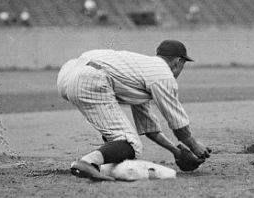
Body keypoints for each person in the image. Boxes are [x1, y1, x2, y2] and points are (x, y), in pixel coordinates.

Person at [57, 40, 211, 181]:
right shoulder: (163, 75)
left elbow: (149, 128)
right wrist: (194, 146)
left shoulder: (143, 71)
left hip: (70, 74)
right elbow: (178, 123)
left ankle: (104, 158)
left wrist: (175, 152)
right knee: (130, 143)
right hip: (91, 77)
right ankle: (88, 162)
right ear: (178, 61)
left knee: (121, 136)